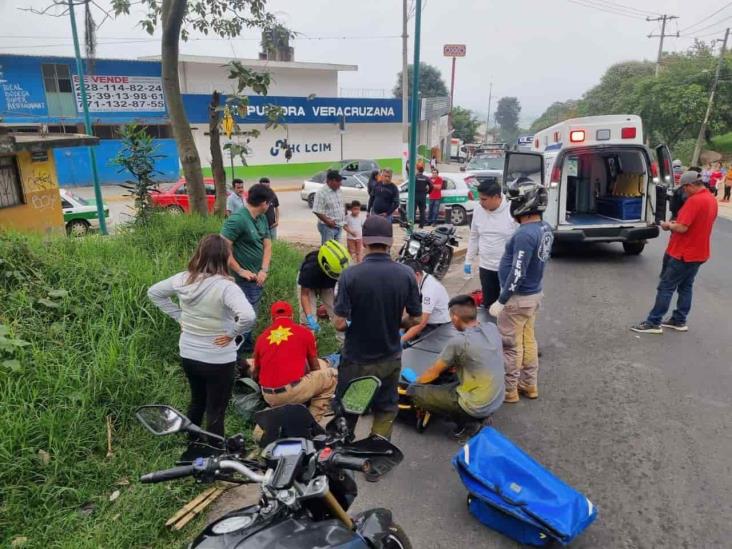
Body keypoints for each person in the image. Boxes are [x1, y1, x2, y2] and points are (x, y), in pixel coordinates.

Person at [147, 235, 255, 460]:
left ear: (200, 253)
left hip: (189, 353)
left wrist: (179, 316)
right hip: (218, 358)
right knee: (216, 410)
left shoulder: (182, 280)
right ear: (225, 257)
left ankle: (193, 444)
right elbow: (247, 316)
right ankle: (216, 456)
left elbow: (154, 292)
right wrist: (232, 334)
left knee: (197, 400)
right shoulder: (226, 287)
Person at [334, 216, 422, 476]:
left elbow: (339, 324)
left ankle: (340, 460)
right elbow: (416, 318)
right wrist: (397, 321)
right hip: (389, 358)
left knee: (350, 406)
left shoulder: (350, 275)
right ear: (390, 242)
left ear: (365, 240)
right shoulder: (406, 274)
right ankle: (373, 464)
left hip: (357, 360)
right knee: (385, 408)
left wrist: (357, 324)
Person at [489, 179, 553, 404]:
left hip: (518, 299)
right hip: (533, 295)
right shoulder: (544, 228)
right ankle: (529, 384)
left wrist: (502, 300)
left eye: (516, 201)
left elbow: (518, 271)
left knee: (510, 345)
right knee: (528, 341)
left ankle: (510, 390)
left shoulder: (525, 234)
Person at [631, 171, 718, 334]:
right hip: (700, 252)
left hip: (684, 252)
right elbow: (697, 223)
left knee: (666, 286)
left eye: (684, 188)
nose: (683, 192)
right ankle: (679, 320)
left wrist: (668, 225)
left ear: (690, 185)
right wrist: (677, 223)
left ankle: (653, 322)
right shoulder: (711, 199)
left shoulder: (694, 201)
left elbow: (683, 228)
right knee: (686, 286)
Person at [408, 294, 504, 441]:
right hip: (497, 398)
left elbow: (432, 372)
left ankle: (469, 424)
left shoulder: (459, 342)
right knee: (452, 374)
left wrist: (415, 384)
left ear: (455, 318)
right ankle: (481, 415)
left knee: (416, 392)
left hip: (477, 404)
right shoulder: (491, 328)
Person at [252, 301, 337, 423]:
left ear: (272, 318)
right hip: (292, 392)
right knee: (332, 375)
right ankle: (311, 424)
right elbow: (315, 366)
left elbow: (256, 372)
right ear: (292, 316)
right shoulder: (303, 332)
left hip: (269, 396)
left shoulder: (262, 338)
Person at [221, 183, 274, 352]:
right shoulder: (237, 220)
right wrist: (240, 270)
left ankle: (245, 345)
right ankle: (236, 349)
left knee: (252, 312)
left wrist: (264, 270)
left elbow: (267, 245)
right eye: (269, 203)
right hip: (242, 279)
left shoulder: (262, 218)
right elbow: (223, 248)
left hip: (258, 276)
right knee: (244, 315)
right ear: (264, 203)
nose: (270, 206)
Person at [464, 180, 518, 310]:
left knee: (507, 307)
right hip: (486, 267)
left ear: (496, 197)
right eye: (479, 199)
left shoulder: (512, 210)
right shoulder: (478, 209)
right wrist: (468, 260)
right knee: (489, 306)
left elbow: (520, 241)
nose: (481, 202)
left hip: (506, 268)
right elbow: (474, 236)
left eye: (484, 199)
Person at [298, 239, 350, 333]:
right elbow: (304, 295)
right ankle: (308, 343)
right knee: (307, 323)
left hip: (328, 286)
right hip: (309, 287)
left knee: (337, 313)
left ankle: (343, 344)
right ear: (326, 266)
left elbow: (339, 291)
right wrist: (309, 317)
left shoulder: (341, 266)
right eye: (336, 274)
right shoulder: (309, 268)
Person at [400, 259, 450, 346]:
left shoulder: (430, 289)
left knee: (408, 344)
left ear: (417, 274)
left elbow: (421, 323)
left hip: (437, 324)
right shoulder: (417, 279)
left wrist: (400, 341)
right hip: (421, 317)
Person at [313, 169, 346, 243]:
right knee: (328, 250)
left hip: (339, 225)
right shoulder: (321, 193)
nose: (340, 184)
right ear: (332, 181)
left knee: (337, 250)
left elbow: (341, 204)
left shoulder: (339, 190)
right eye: (339, 181)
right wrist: (328, 221)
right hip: (327, 227)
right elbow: (316, 210)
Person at [414, 163, 434, 228]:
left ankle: (412, 224)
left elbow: (409, 186)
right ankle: (421, 225)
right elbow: (432, 186)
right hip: (423, 195)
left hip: (415, 195)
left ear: (417, 169)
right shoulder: (426, 178)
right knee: (422, 211)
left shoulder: (415, 177)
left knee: (413, 210)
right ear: (423, 170)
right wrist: (428, 192)